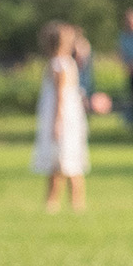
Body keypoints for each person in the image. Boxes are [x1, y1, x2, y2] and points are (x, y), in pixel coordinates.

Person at [33, 21, 90, 213]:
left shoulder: (58, 65)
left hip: (61, 118)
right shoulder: (68, 63)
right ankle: (75, 202)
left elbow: (60, 96)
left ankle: (54, 202)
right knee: (69, 160)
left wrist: (56, 122)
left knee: (60, 161)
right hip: (70, 118)